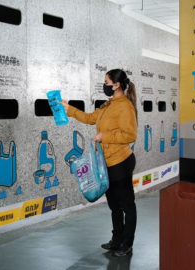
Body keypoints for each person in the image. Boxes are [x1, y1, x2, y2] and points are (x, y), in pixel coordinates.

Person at [60, 69, 137, 257]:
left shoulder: (125, 106)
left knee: (127, 205)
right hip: (107, 163)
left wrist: (105, 136)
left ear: (116, 85)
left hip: (121, 161)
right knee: (114, 205)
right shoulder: (108, 105)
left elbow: (130, 135)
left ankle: (126, 244)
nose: (104, 85)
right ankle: (116, 240)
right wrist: (69, 109)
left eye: (106, 82)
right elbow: (89, 118)